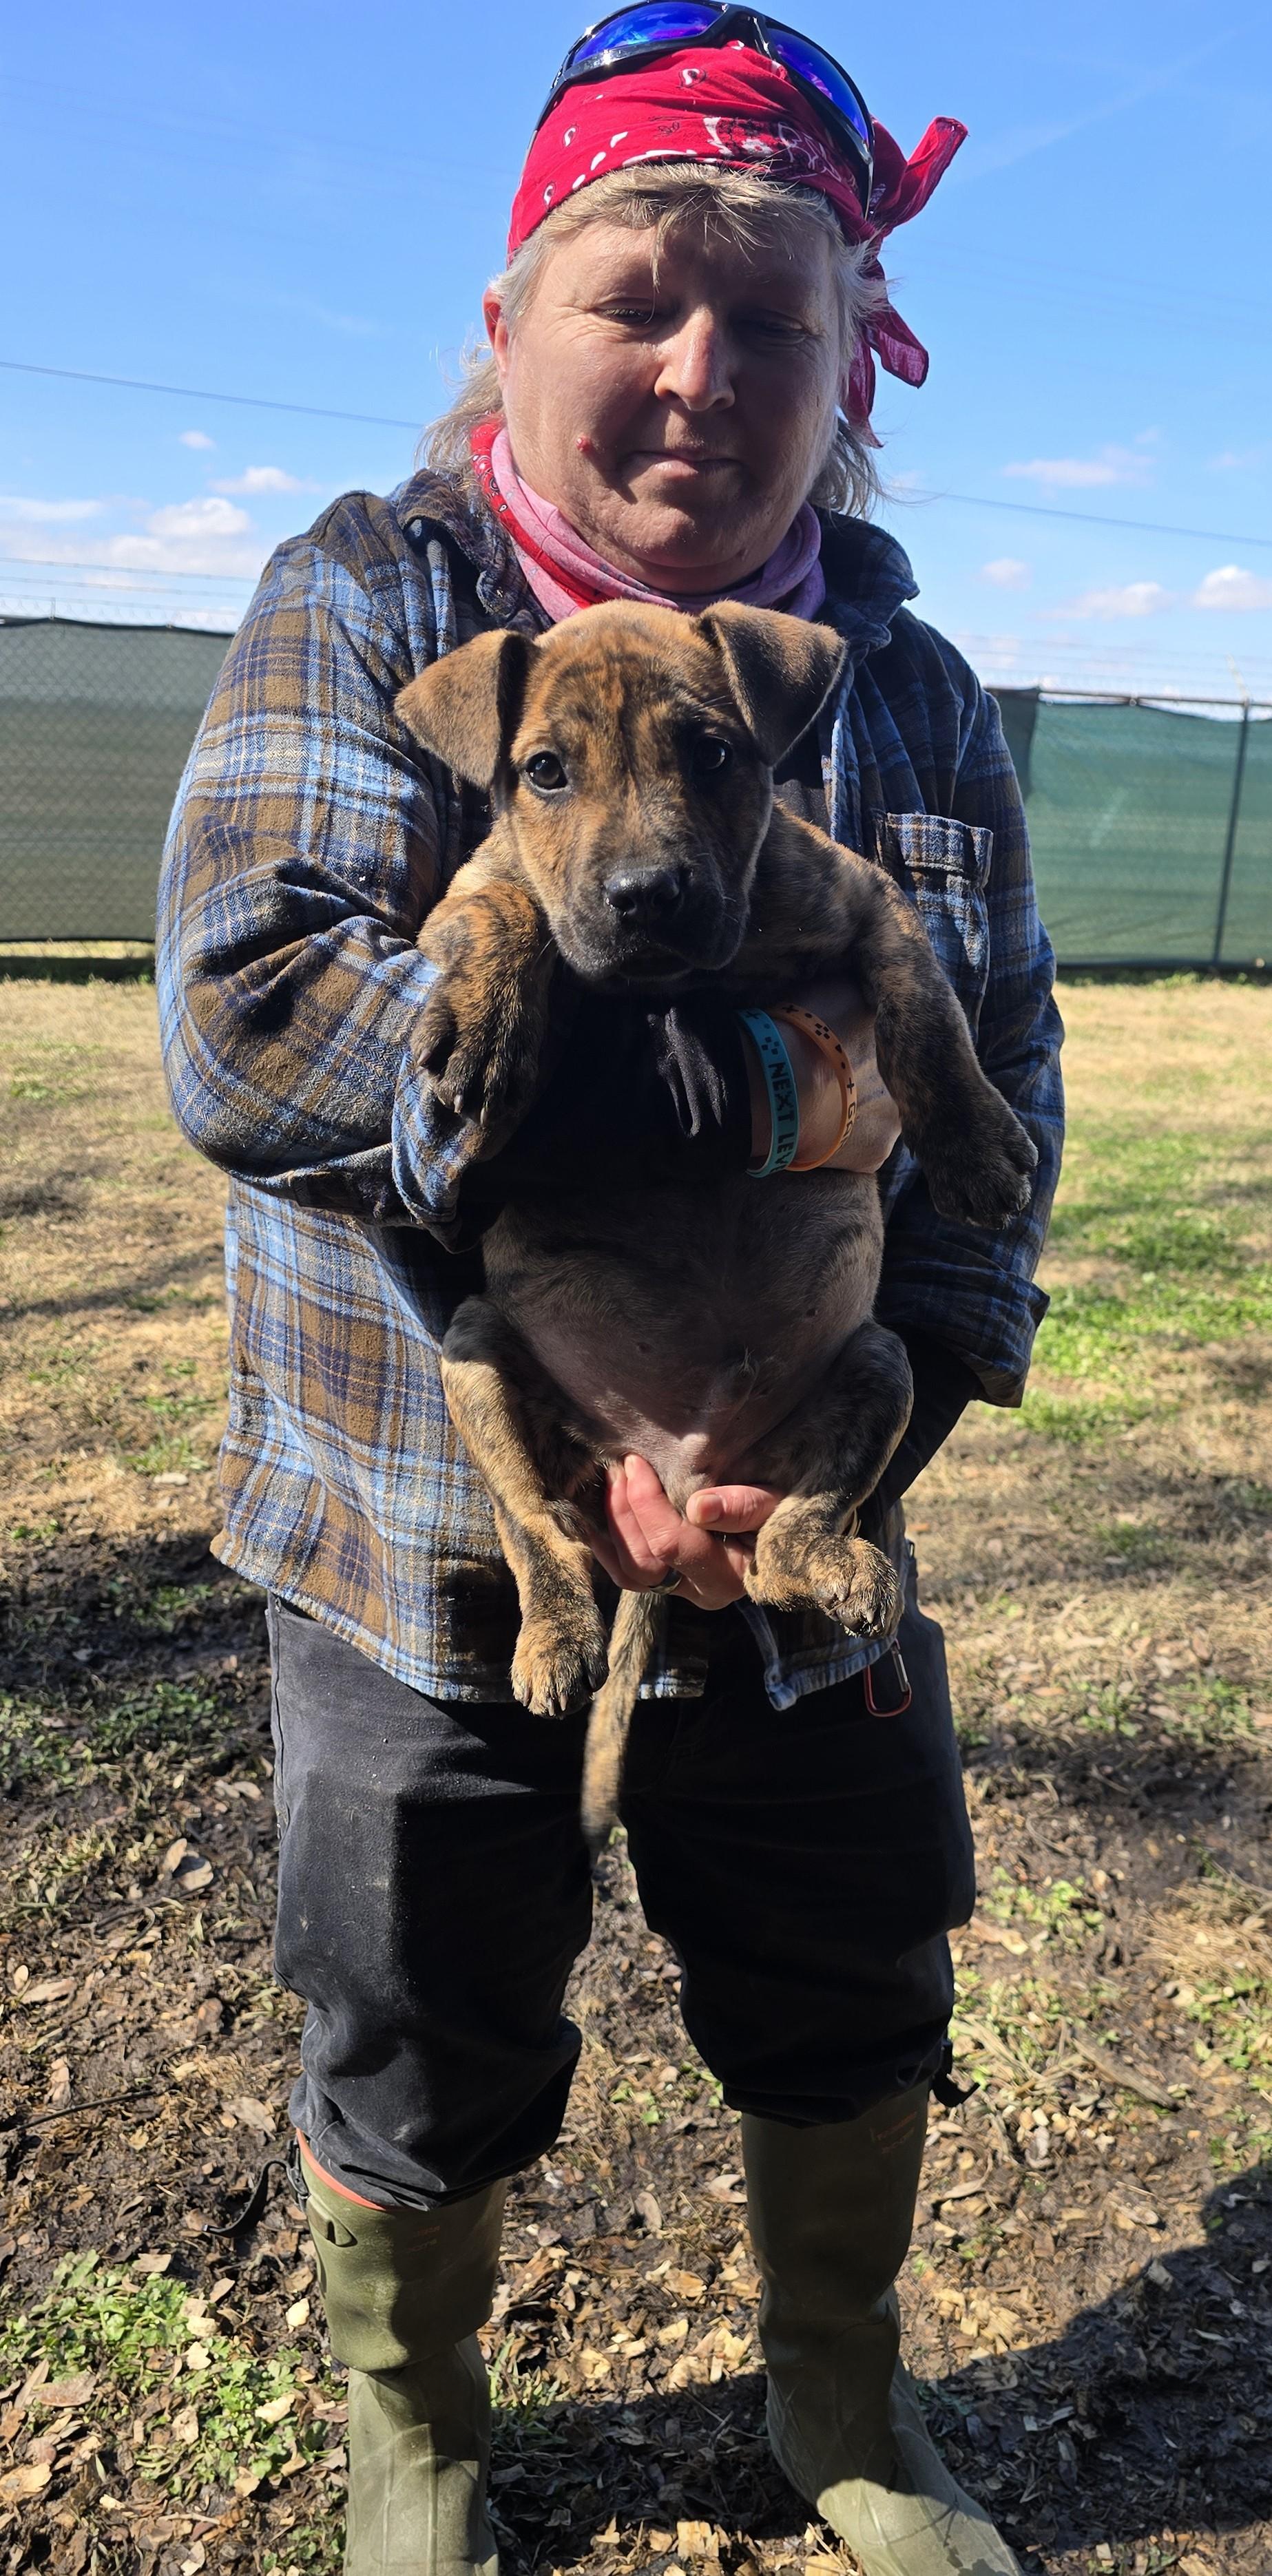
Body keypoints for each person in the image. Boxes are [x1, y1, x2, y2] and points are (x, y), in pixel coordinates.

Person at [158, 10, 1063, 2571]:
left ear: (845, 370)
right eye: (639, 299)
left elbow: (999, 1074)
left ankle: (846, 2409)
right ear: (510, 326)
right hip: (424, 1520)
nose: (700, 373)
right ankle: (421, 2438)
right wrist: (770, 1104)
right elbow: (261, 1020)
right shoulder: (373, 601)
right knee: (420, 1996)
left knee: (854, 1947)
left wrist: (876, 1412)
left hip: (805, 1479)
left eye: (770, 319)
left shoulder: (895, 688)